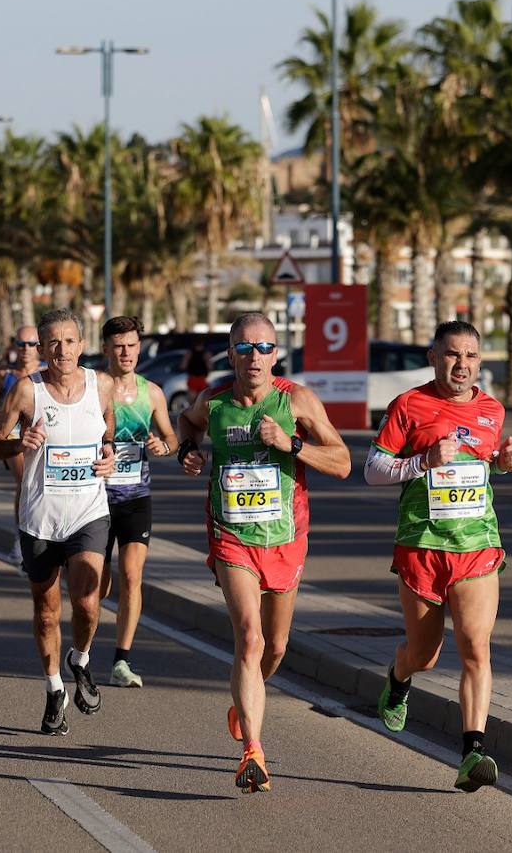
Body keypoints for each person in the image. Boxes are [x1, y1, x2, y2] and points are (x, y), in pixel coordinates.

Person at [176, 311, 350, 793]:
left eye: (265, 347)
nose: (256, 357)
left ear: (277, 353)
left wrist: (291, 443)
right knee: (249, 639)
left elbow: (342, 461)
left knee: (274, 648)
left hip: (285, 537)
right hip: (231, 535)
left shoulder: (296, 400)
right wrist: (187, 452)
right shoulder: (213, 402)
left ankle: (245, 697)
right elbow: (185, 425)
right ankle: (253, 750)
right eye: (245, 347)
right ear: (230, 354)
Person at [365, 319, 512, 794]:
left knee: (476, 646)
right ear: (434, 357)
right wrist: (423, 462)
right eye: (452, 355)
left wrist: (506, 461)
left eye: (471, 356)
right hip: (422, 545)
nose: (462, 365)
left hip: (476, 545)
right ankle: (398, 676)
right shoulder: (409, 405)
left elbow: (487, 456)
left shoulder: (491, 409)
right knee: (426, 655)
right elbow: (373, 470)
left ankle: (473, 748)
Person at [0, 308, 117, 736]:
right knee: (46, 612)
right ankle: (54, 686)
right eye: (53, 343)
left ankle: (80, 657)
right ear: (42, 349)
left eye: (71, 341)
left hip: (88, 513)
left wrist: (110, 452)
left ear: (82, 345)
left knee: (88, 601)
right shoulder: (27, 391)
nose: (63, 350)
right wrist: (17, 443)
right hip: (40, 518)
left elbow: (108, 428)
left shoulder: (103, 385)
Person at [99, 316, 179, 689]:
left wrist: (162, 447)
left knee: (132, 576)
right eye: (118, 346)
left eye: (131, 345)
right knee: (95, 587)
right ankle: (83, 647)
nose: (126, 352)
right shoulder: (94, 388)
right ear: (106, 349)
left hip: (135, 498)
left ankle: (121, 661)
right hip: (94, 500)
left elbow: (171, 439)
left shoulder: (153, 393)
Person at [0, 326, 41, 565]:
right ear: (14, 347)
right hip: (14, 435)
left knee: (37, 483)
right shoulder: (7, 375)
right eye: (22, 344)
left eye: (32, 344)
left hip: (41, 434)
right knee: (25, 481)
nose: (26, 349)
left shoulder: (47, 372)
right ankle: (20, 538)